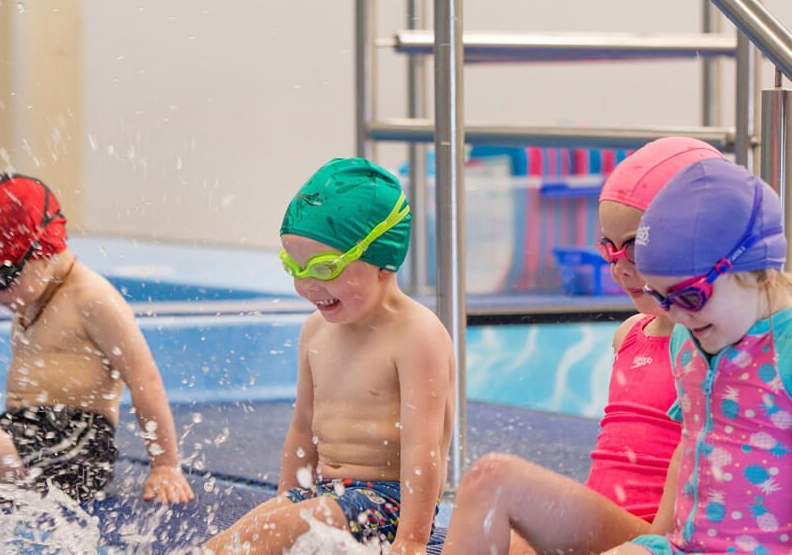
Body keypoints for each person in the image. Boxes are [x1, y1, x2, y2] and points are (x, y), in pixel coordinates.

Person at [442, 138, 724, 555]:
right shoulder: (630, 334)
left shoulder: (714, 352)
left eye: (636, 247)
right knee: (500, 535)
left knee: (491, 479)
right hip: (603, 527)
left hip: (648, 540)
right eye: (608, 248)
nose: (619, 268)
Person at [0, 174, 193, 553]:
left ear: (40, 250)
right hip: (25, 436)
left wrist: (165, 465)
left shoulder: (93, 298)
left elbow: (145, 379)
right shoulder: (32, 292)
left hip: (73, 444)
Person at [203, 158, 455, 555]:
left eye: (323, 268)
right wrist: (285, 502)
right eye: (294, 267)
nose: (305, 285)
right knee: (222, 547)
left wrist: (411, 540)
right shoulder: (315, 332)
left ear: (382, 261)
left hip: (387, 505)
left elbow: (423, 447)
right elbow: (303, 430)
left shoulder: (416, 335)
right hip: (325, 496)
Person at [607, 158, 792, 554]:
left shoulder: (786, 348)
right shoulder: (687, 339)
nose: (674, 314)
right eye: (660, 297)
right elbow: (691, 440)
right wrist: (654, 539)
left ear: (758, 269)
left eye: (690, 295)